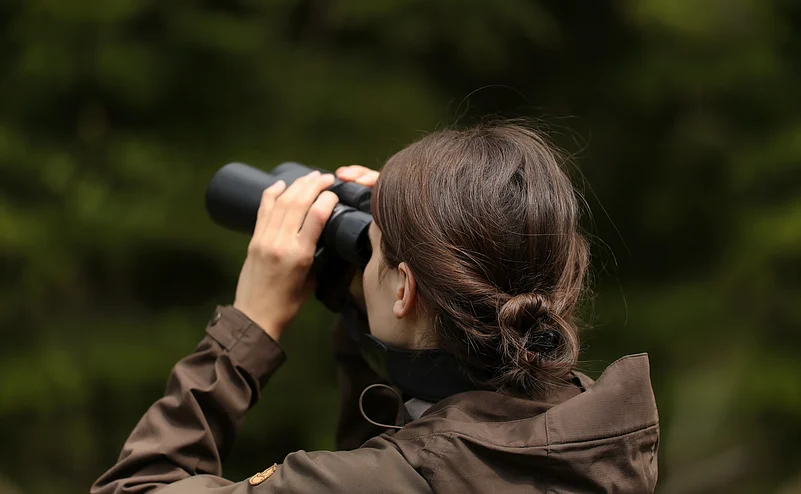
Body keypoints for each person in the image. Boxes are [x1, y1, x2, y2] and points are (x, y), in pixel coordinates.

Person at [92, 123, 659, 494]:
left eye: (378, 254)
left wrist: (248, 328)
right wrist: (368, 292)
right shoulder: (601, 439)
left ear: (405, 291)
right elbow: (416, 441)